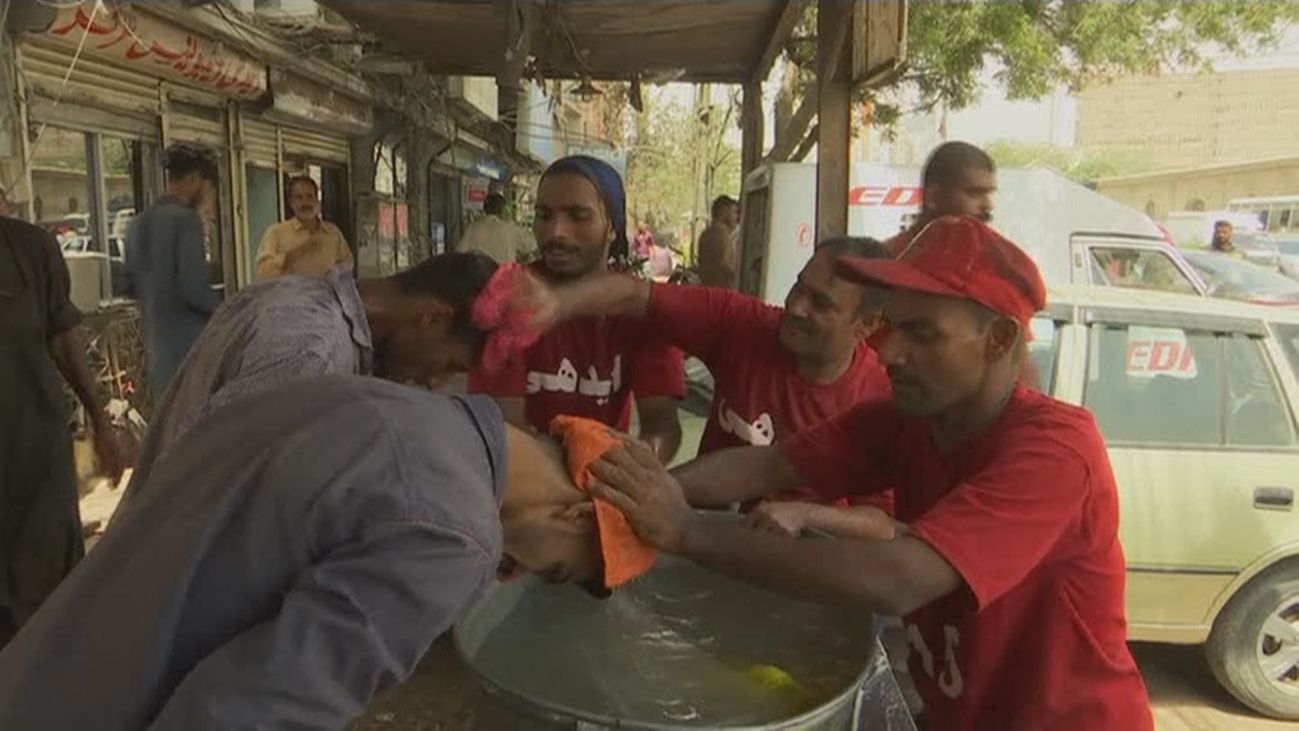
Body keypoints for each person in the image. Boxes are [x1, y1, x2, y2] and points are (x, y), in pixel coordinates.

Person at [589, 217, 1153, 730]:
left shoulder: (1056, 450)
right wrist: (626, 490)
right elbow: (766, 465)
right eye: (892, 328)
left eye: (923, 334)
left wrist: (686, 530)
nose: (890, 353)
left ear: (1000, 340)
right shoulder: (904, 419)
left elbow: (899, 578)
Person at [0, 375, 614, 728]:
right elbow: (251, 716)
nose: (514, 573)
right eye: (553, 567)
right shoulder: (455, 533)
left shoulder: (369, 403)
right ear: (575, 512)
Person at [519, 236, 896, 538]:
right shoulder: (745, 324)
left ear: (868, 324)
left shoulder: (882, 397)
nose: (797, 308)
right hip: (711, 541)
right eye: (799, 287)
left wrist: (805, 514)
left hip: (810, 566)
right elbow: (635, 295)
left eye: (821, 303)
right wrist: (555, 303)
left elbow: (883, 523)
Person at [120, 252, 499, 505]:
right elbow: (226, 499)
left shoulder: (293, 293)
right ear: (433, 317)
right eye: (451, 365)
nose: (434, 382)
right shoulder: (313, 353)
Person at [469, 155, 685, 464]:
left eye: (578, 216)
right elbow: (505, 425)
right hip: (521, 480)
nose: (556, 231)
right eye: (544, 215)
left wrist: (634, 469)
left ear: (612, 226)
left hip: (603, 482)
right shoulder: (508, 300)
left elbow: (662, 424)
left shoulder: (642, 314)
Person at [0, 215, 125, 648]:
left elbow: (64, 341)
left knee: (47, 597)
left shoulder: (31, 250)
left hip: (33, 453)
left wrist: (101, 420)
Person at [125, 144, 221, 400]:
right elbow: (192, 287)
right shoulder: (186, 221)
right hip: (189, 343)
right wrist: (224, 311)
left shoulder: (137, 223)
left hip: (156, 344)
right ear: (194, 179)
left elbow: (127, 284)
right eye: (208, 187)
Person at [888, 141, 997, 255]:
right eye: (974, 193)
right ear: (933, 197)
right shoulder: (889, 260)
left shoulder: (993, 262)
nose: (988, 205)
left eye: (989, 193)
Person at [256, 176, 353, 280]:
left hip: (325, 295)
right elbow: (263, 272)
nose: (305, 203)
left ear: (317, 200)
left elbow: (348, 268)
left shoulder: (333, 234)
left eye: (309, 197)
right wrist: (295, 254)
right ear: (291, 202)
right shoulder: (276, 233)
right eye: (299, 198)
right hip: (290, 295)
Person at [460, 193, 538, 264]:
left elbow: (460, 253)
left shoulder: (473, 228)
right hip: (504, 277)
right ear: (502, 210)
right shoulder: (510, 228)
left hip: (479, 277)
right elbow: (532, 244)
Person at [697, 194, 741, 289]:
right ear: (724, 212)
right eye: (734, 212)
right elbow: (729, 267)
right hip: (722, 294)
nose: (737, 218)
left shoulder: (705, 234)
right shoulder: (723, 236)